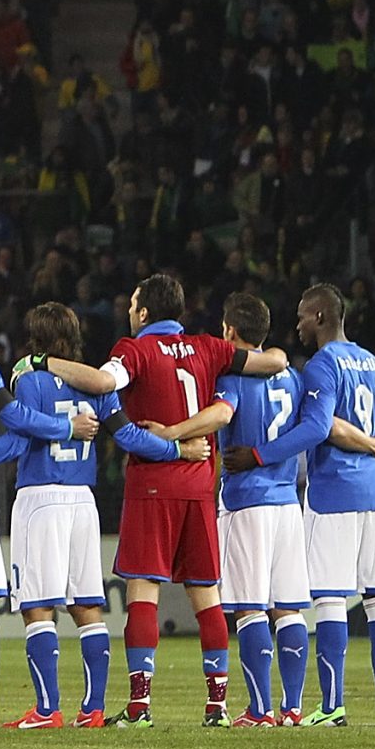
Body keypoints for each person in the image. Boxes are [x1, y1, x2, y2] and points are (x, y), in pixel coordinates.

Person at [41, 272, 286, 725]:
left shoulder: (133, 350)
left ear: (145, 312)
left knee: (143, 590)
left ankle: (140, 705)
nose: (130, 313)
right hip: (199, 483)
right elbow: (272, 363)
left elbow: (99, 383)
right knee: (207, 595)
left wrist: (46, 362)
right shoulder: (209, 347)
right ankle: (217, 705)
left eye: (134, 306)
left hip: (153, 482)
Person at [0, 303, 189, 729]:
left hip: (40, 497)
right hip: (83, 502)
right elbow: (131, 436)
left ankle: (47, 710)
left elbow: (20, 440)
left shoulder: (30, 381)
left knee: (38, 608)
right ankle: (93, 708)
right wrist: (178, 448)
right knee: (87, 606)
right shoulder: (96, 384)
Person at [289, 284, 375, 726]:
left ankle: (333, 705)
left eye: (302, 315)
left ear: (320, 317)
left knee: (330, 601)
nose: (297, 323)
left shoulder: (321, 367)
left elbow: (320, 428)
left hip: (333, 492)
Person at [211, 294, 313, 727]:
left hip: (246, 501)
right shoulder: (291, 376)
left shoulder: (234, 376)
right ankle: (292, 707)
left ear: (230, 332)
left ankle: (259, 710)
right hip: (288, 501)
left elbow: (222, 417)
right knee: (288, 608)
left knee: (249, 607)